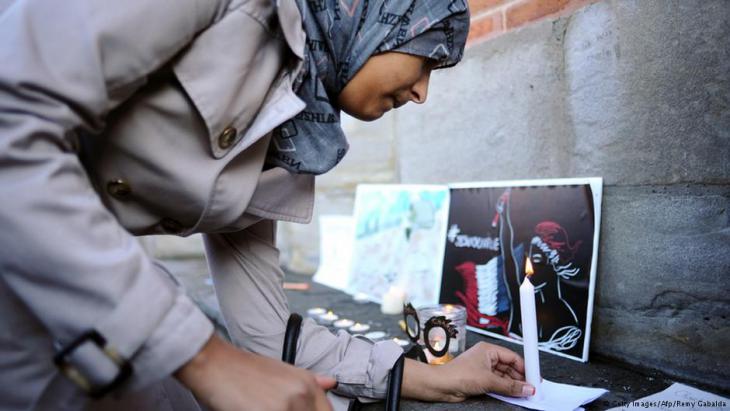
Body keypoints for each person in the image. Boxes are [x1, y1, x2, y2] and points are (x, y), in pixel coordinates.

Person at [0, 0, 536, 410]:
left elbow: (265, 336)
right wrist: (202, 357)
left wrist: (437, 374)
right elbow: (13, 118)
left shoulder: (293, 134)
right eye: (429, 60)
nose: (422, 93)